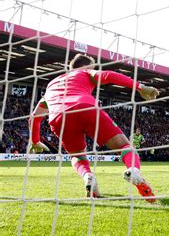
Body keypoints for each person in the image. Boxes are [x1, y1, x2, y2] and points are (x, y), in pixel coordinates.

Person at [28, 54, 159, 202]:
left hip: (59, 118)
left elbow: (34, 117)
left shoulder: (52, 85)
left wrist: (35, 141)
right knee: (124, 145)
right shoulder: (84, 72)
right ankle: (134, 170)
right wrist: (140, 87)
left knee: (77, 156)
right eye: (93, 68)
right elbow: (108, 75)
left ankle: (88, 177)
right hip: (86, 108)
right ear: (87, 67)